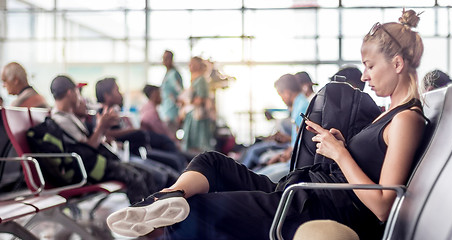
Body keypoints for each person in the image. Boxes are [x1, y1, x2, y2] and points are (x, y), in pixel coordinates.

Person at [107, 9, 426, 240]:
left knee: (197, 210)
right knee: (211, 161)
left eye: (370, 66)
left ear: (397, 64)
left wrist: (341, 154)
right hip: (308, 191)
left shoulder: (406, 119)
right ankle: (166, 198)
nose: (365, 76)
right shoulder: (390, 114)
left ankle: (162, 211)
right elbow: (372, 167)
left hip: (319, 205)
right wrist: (340, 145)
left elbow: (384, 205)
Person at [50, 75, 159, 204]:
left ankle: (152, 212)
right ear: (70, 93)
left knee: (147, 174)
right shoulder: (61, 120)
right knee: (136, 177)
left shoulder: (69, 116)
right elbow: (88, 148)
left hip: (96, 164)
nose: (80, 97)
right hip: (88, 168)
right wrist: (101, 127)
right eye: (77, 92)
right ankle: (140, 216)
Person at [95, 77, 187, 172]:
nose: (120, 93)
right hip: (129, 155)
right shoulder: (102, 114)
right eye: (117, 90)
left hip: (139, 151)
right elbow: (106, 134)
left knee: (175, 160)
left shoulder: (116, 112)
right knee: (172, 163)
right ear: (107, 95)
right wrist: (133, 130)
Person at [180, 56, 213, 153]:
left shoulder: (201, 80)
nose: (189, 66)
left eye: (192, 64)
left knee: (200, 145)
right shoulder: (196, 79)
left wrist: (187, 101)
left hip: (198, 117)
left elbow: (201, 98)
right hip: (193, 115)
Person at [160, 50, 183, 136]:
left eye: (167, 58)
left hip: (172, 112)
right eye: (163, 58)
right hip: (166, 111)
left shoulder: (173, 74)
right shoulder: (168, 73)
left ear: (171, 59)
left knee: (171, 136)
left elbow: (180, 91)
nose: (164, 61)